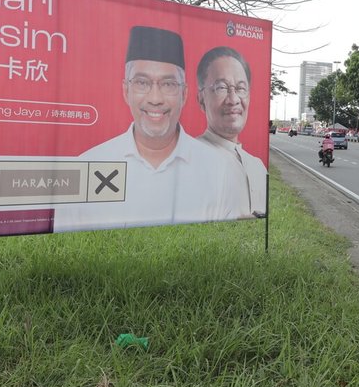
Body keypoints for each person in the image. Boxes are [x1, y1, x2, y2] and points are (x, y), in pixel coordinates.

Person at [53, 26, 249, 232]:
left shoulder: (219, 171)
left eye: (168, 84)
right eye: (142, 83)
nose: (155, 99)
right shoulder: (87, 166)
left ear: (184, 94)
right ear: (126, 90)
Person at [196, 46, 267, 217]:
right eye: (221, 87)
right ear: (201, 98)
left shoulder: (258, 166)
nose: (233, 99)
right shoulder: (190, 159)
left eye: (241, 88)